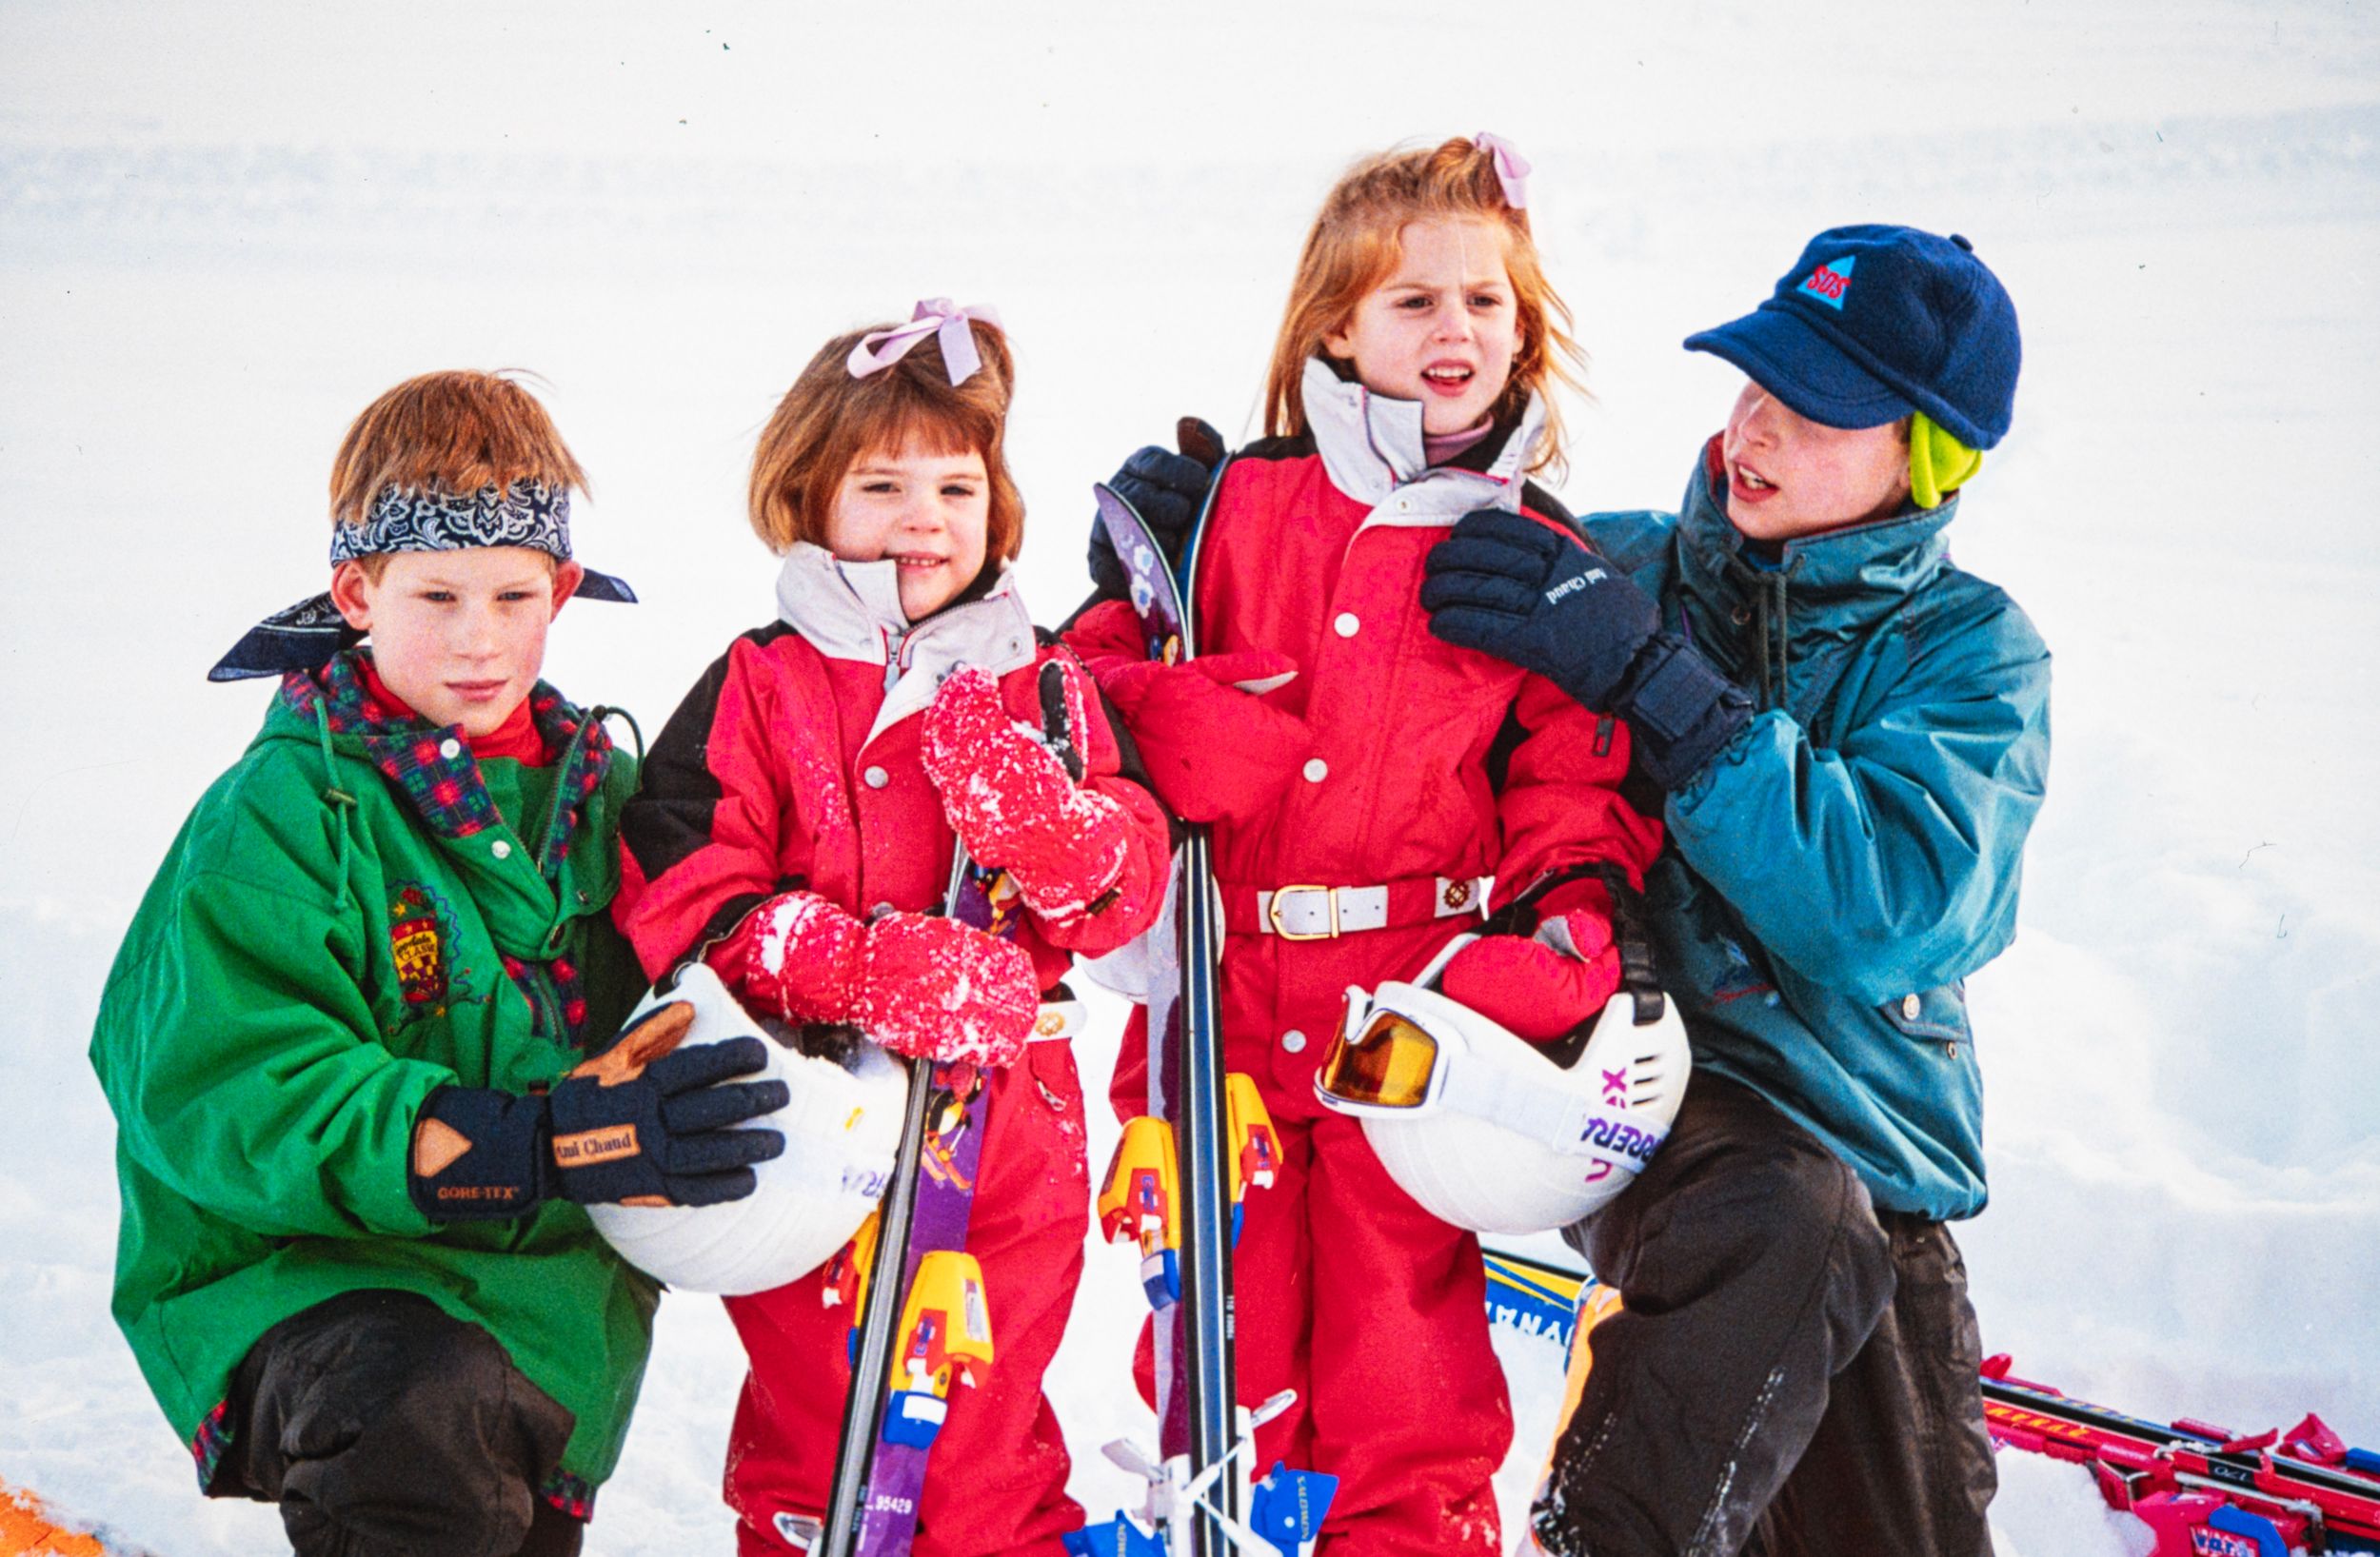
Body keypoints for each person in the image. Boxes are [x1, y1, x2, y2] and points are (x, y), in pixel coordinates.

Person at [1068, 137, 1663, 1554]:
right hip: (1220, 994)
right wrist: (1135, 622)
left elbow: (1570, 785)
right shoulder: (1235, 509)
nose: (1456, 329)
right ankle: (1224, 1525)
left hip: (1412, 1020)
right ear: (1336, 326)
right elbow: (1094, 699)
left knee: (1404, 1356)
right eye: (1414, 301)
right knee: (1219, 1333)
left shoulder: (1533, 547)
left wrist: (1570, 923)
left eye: (1485, 301)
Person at [1420, 225, 2051, 1555]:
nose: (1755, 426)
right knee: (1779, 1213)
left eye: (1816, 409)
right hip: (1649, 1106)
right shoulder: (1612, 573)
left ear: (1926, 456)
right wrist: (1222, 534)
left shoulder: (1971, 658)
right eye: (1757, 381)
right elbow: (1376, 614)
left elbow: (1887, 911)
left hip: (1874, 1166)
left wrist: (1671, 699)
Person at [89, 369, 787, 1557]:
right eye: (437, 595)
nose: (480, 637)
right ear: (356, 592)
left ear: (560, 588)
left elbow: (713, 963)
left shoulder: (608, 801)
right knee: (421, 1418)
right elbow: (228, 1090)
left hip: (545, 1309)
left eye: (514, 594)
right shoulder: (283, 815)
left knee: (473, 1473)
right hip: (311, 1279)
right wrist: (541, 1139)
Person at [612, 302, 1173, 1557]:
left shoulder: (1041, 686)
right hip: (822, 1117)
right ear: (810, 496)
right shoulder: (764, 680)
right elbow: (683, 884)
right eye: (883, 485)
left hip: (1009, 1123)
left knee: (984, 1412)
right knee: (828, 1419)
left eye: (956, 488)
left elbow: (1126, 892)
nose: (925, 517)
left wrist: (1055, 832)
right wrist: (849, 964)